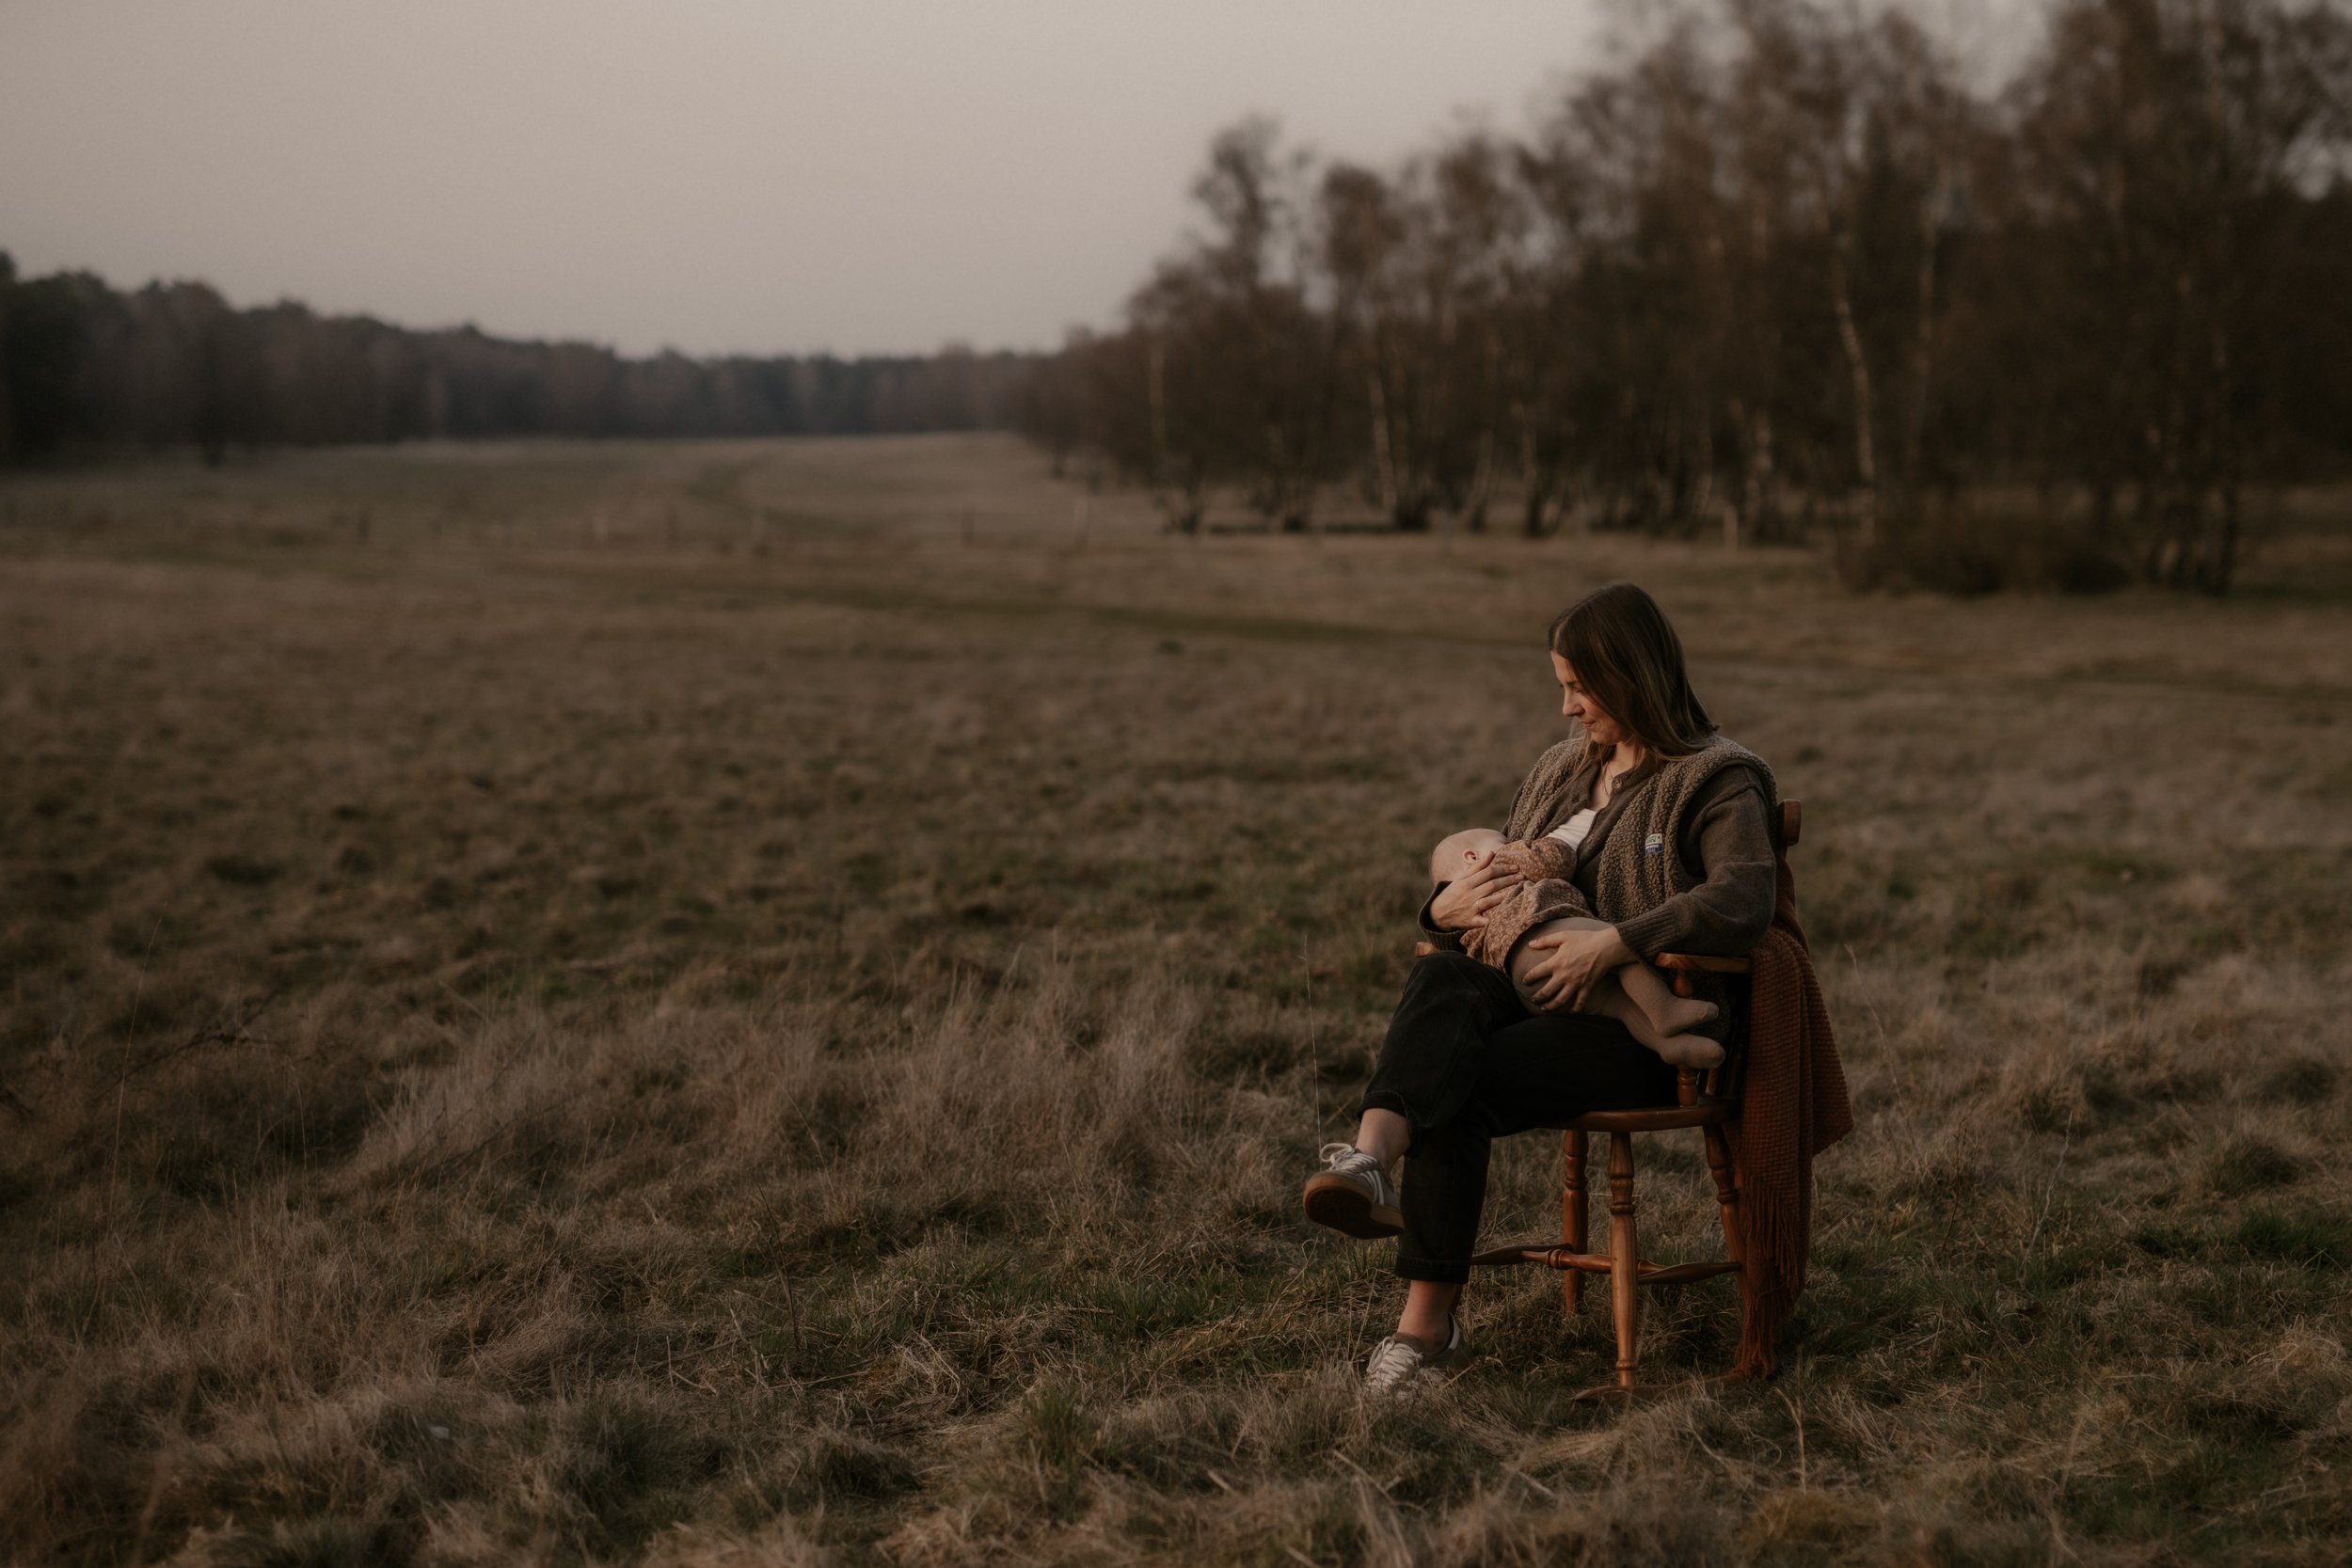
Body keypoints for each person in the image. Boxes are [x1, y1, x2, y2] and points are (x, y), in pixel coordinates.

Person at [1299, 581, 1779, 1394]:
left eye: (1579, 687)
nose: (1566, 709)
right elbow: (1503, 885)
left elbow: (1744, 899)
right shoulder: (1561, 771)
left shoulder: (1717, 779)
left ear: (1631, 677)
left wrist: (1618, 944)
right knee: (1445, 977)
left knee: (1461, 1077)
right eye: (1562, 685)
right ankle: (1370, 1162)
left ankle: (1424, 1333)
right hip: (1527, 993)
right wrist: (1442, 907)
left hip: (1643, 1034)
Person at [1427, 827, 1723, 1069]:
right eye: (1504, 840)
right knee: (1618, 942)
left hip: (1528, 989)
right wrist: (1555, 842)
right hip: (1544, 938)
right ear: (1473, 857)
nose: (1512, 841)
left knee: (1619, 1005)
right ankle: (1665, 1008)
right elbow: (1554, 861)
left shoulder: (1470, 920)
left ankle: (1668, 1046)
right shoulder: (1500, 866)